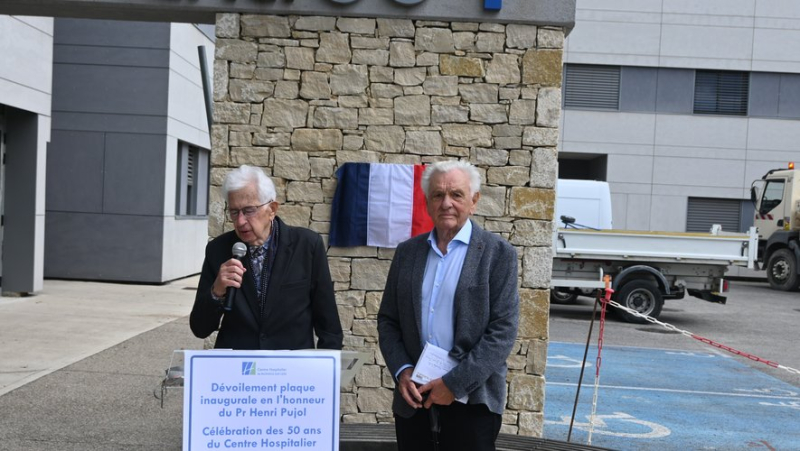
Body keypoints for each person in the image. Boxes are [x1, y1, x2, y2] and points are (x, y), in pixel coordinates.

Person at [377, 160, 520, 451]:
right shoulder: (408, 253)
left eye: (456, 194)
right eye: (438, 195)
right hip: (414, 398)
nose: (447, 203)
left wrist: (453, 385)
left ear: (474, 201)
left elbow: (502, 332)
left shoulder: (497, 254)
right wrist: (402, 370)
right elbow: (388, 320)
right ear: (428, 203)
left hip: (471, 401)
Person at [190, 165, 343, 351]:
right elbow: (200, 328)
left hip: (290, 371)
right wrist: (216, 292)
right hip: (238, 371)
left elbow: (329, 326)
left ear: (272, 209)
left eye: (248, 210)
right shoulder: (218, 250)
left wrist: (325, 371)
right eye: (234, 212)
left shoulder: (307, 246)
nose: (240, 221)